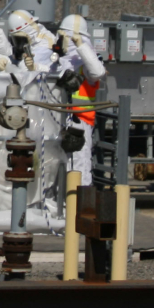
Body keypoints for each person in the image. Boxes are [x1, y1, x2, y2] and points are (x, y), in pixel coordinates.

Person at [53, 14, 107, 186]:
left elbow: (98, 72)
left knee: (79, 166)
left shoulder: (88, 61)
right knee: (54, 163)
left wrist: (81, 46)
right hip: (56, 119)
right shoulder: (58, 59)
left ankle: (78, 206)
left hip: (80, 122)